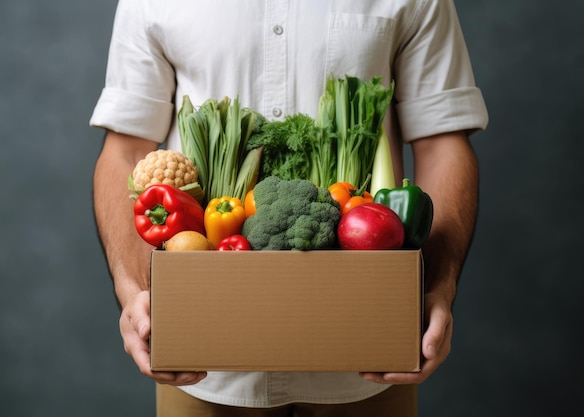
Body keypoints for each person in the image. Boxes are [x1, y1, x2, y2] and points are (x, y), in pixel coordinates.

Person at [90, 0, 488, 415]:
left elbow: (444, 144)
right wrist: (133, 292)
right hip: (203, 359)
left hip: (367, 349)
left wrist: (436, 288)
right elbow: (125, 151)